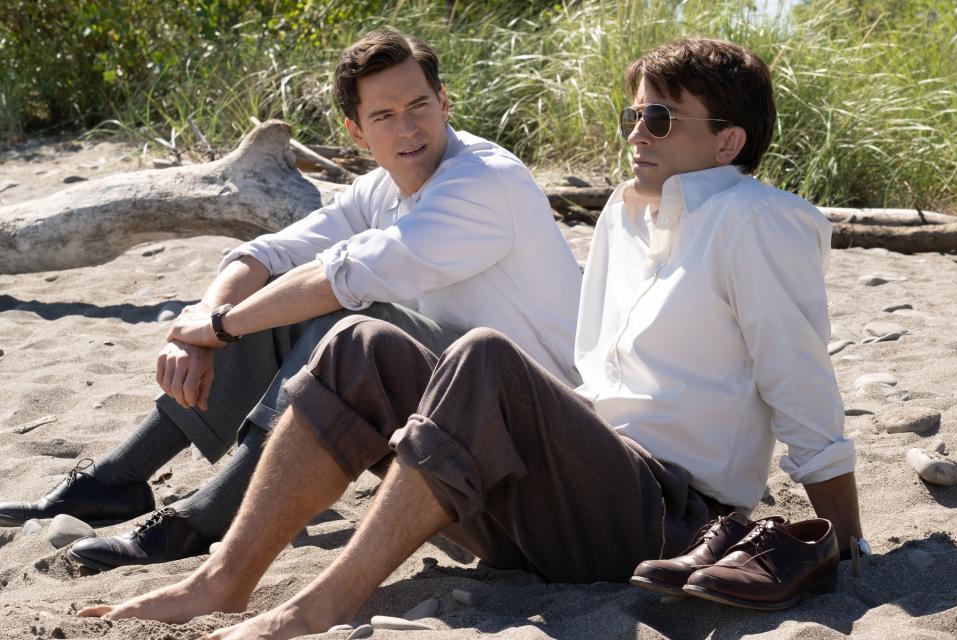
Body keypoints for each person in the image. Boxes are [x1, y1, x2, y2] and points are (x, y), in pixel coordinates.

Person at [78, 36, 864, 638]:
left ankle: (328, 600)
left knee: (480, 351)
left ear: (728, 142)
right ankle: (222, 579)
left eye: (659, 118)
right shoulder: (629, 217)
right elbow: (297, 256)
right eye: (632, 114)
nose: (636, 133)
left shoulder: (760, 219)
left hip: (672, 518)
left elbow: (800, 382)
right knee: (359, 344)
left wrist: (845, 540)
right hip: (573, 493)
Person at [0, 28, 583, 571]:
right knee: (280, 303)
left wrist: (220, 328)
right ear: (356, 131)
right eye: (384, 115)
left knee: (356, 320)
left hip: (532, 435)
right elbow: (270, 254)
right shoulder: (382, 188)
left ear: (445, 103)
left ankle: (205, 518)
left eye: (419, 107)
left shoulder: (483, 182)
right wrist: (204, 321)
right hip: (455, 412)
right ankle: (119, 477)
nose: (408, 129)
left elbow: (343, 279)